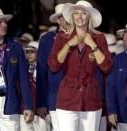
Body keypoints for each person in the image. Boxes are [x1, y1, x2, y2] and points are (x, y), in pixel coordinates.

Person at [48, 2, 112, 131]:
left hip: (91, 100)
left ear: (89, 17)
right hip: (67, 98)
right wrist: (68, 45)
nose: (80, 17)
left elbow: (106, 67)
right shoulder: (62, 38)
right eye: (76, 13)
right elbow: (53, 66)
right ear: (71, 16)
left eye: (84, 13)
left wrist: (93, 45)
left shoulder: (99, 38)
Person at [36, 3, 73, 131]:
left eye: (70, 15)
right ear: (58, 20)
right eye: (64, 16)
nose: (68, 19)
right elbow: (41, 72)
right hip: (55, 98)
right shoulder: (47, 40)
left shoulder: (81, 37)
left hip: (79, 98)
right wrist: (41, 102)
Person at [0, 8, 34, 131]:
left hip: (9, 101)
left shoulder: (15, 47)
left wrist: (28, 105)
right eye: (0, 22)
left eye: (5, 22)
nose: (5, 24)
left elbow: (24, 79)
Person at [20, 41, 47, 131]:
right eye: (27, 52)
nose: (29, 54)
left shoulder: (45, 70)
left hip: (41, 112)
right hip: (25, 110)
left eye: (32, 51)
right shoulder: (22, 69)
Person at [106, 27, 127, 131]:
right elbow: (110, 88)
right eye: (125, 36)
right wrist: (111, 110)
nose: (125, 39)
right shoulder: (117, 60)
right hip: (122, 116)